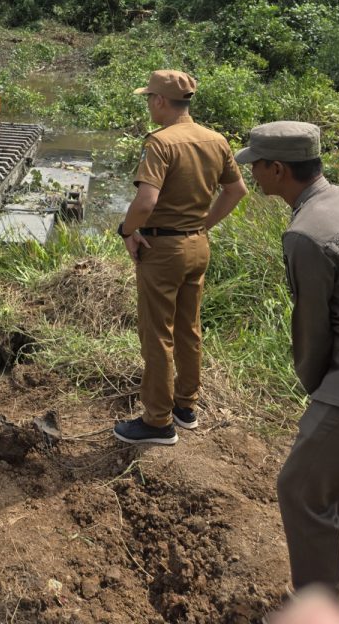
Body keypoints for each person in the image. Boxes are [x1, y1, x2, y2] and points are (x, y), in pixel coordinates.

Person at [235, 121, 339, 597]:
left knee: (300, 489)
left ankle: (320, 607)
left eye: (256, 166)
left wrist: (317, 393)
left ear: (278, 169)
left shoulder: (305, 233)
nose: (253, 176)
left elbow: (312, 333)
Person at [113, 70, 247, 445]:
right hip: (197, 246)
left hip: (163, 251)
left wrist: (127, 231)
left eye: (149, 98)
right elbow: (236, 191)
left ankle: (157, 422)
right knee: (189, 328)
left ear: (159, 101)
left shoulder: (160, 143)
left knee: (157, 335)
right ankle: (185, 407)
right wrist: (203, 224)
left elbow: (146, 201)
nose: (148, 105)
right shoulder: (215, 140)